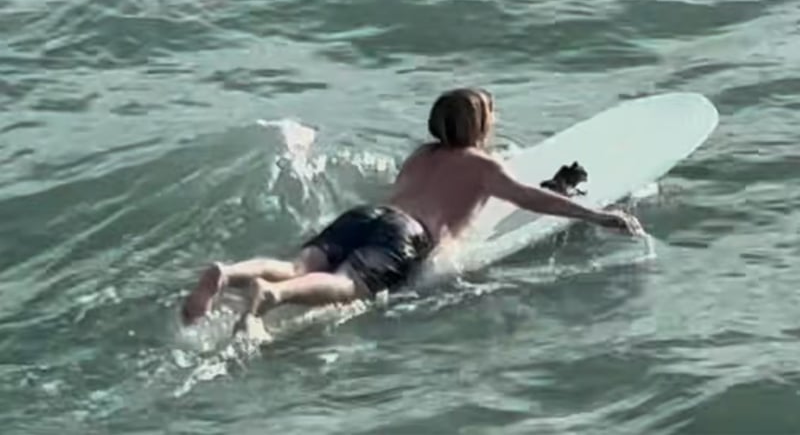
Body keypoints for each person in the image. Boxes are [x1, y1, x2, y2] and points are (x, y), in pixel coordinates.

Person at [180, 88, 644, 335]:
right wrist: (595, 215)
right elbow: (530, 198)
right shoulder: (484, 165)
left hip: (367, 215)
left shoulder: (422, 155)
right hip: (404, 235)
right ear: (480, 126)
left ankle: (229, 272)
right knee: (347, 285)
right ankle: (272, 297)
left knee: (295, 264)